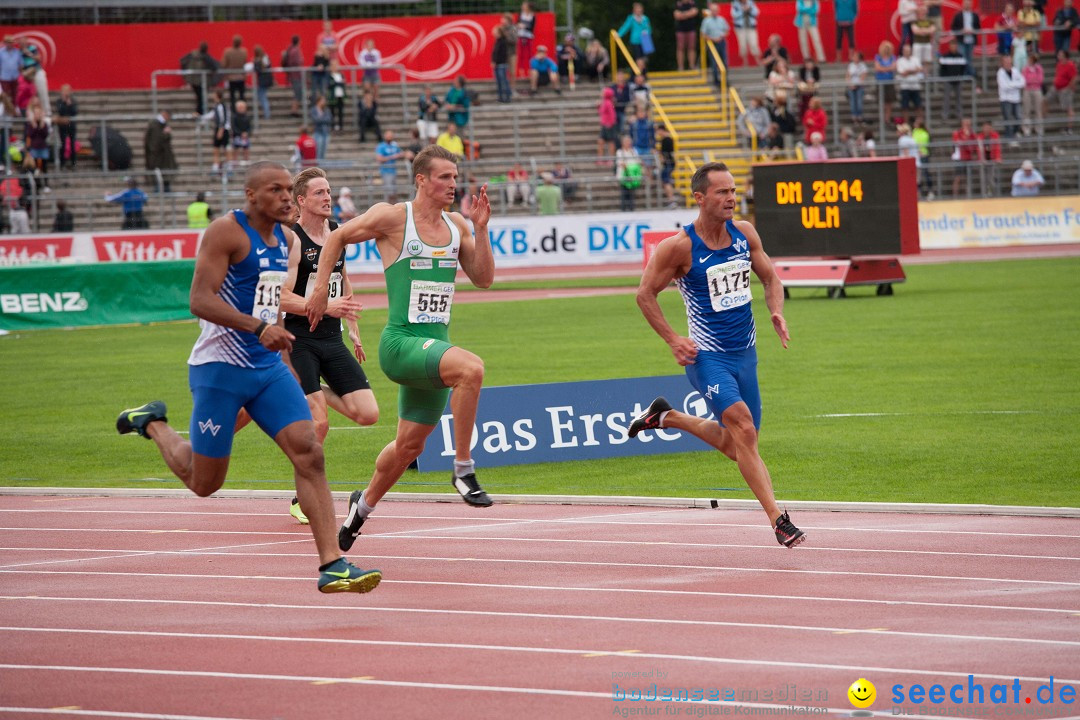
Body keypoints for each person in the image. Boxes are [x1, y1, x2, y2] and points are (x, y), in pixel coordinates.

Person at [115, 162, 381, 594]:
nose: (282, 197)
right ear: (251, 195)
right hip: (220, 370)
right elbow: (199, 300)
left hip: (267, 367)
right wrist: (259, 328)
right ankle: (154, 423)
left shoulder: (290, 242)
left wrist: (282, 347)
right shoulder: (227, 232)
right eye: (274, 190)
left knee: (309, 450)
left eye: (285, 189)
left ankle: (333, 563)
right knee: (205, 482)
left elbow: (274, 304)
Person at [303, 146, 496, 552]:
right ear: (422, 179)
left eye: (455, 177)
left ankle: (361, 509)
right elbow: (337, 236)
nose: (453, 184)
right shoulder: (393, 218)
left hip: (432, 349)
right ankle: (463, 468)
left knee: (410, 445)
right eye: (444, 177)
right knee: (472, 368)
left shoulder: (457, 224)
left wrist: (481, 229)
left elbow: (483, 279)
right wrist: (320, 289)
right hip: (400, 343)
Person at [629, 161, 804, 549]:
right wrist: (674, 339)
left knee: (738, 444)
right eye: (722, 192)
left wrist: (776, 310)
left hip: (746, 354)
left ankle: (666, 416)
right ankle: (779, 520)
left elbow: (771, 278)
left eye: (733, 191)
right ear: (700, 198)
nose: (731, 198)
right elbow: (644, 295)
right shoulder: (680, 247)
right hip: (707, 357)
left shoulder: (744, 234)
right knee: (743, 426)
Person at [236, 167, 379, 524]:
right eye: (319, 193)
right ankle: (302, 499)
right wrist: (322, 306)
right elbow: (277, 296)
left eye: (329, 191)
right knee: (319, 423)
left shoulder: (337, 235)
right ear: (301, 201)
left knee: (367, 413)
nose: (328, 197)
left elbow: (341, 280)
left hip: (330, 338)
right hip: (298, 339)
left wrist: (352, 328)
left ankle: (279, 393)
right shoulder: (293, 239)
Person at [144, 109, 177, 192]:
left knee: (164, 172)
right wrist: (165, 134)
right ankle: (160, 190)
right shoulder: (155, 125)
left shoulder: (160, 124)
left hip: (161, 155)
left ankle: (164, 189)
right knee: (159, 172)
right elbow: (155, 141)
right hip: (157, 155)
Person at [617, 3, 654, 73]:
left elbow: (649, 29)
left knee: (644, 59)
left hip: (645, 40)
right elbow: (625, 27)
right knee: (638, 58)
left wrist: (646, 32)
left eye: (640, 10)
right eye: (637, 10)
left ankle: (642, 72)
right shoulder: (631, 18)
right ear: (634, 10)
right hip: (635, 41)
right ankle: (640, 73)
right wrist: (619, 34)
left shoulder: (645, 18)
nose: (639, 11)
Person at [701, 3, 731, 85]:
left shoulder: (722, 20)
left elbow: (727, 30)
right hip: (712, 44)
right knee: (714, 62)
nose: (714, 12)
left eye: (716, 10)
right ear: (710, 11)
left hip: (721, 42)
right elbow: (703, 34)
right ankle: (716, 80)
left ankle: (725, 80)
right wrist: (713, 39)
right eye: (713, 10)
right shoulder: (706, 21)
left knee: (724, 61)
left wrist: (721, 36)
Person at [375, 129, 404, 200]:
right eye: (389, 135)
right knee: (389, 193)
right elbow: (379, 159)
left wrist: (400, 155)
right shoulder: (381, 146)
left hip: (393, 171)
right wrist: (392, 157)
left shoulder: (394, 145)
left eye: (391, 136)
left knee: (394, 192)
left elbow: (401, 154)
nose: (390, 137)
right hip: (386, 172)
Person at [732, 0, 762, 67]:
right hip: (740, 28)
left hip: (751, 27)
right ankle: (745, 62)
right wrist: (743, 10)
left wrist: (749, 9)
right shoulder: (735, 4)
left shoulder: (751, 3)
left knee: (754, 44)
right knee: (743, 45)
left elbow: (757, 13)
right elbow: (734, 15)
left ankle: (758, 61)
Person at [221, 34, 248, 108]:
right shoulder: (244, 51)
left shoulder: (228, 52)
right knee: (241, 95)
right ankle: (243, 110)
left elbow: (224, 64)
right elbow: (245, 62)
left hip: (231, 77)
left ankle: (234, 111)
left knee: (232, 96)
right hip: (241, 76)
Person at [56, 84, 78, 170]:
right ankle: (62, 163)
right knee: (63, 145)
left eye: (67, 90)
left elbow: (74, 112)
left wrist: (69, 104)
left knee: (73, 144)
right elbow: (60, 111)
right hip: (62, 126)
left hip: (71, 125)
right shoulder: (59, 101)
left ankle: (73, 163)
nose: (66, 92)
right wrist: (64, 102)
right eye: (64, 90)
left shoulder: (73, 101)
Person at [675, 0, 700, 71]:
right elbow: (676, 15)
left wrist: (682, 14)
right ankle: (680, 67)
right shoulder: (678, 3)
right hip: (680, 30)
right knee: (680, 48)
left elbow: (695, 12)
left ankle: (692, 66)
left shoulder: (693, 3)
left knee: (692, 48)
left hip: (691, 29)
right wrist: (689, 14)